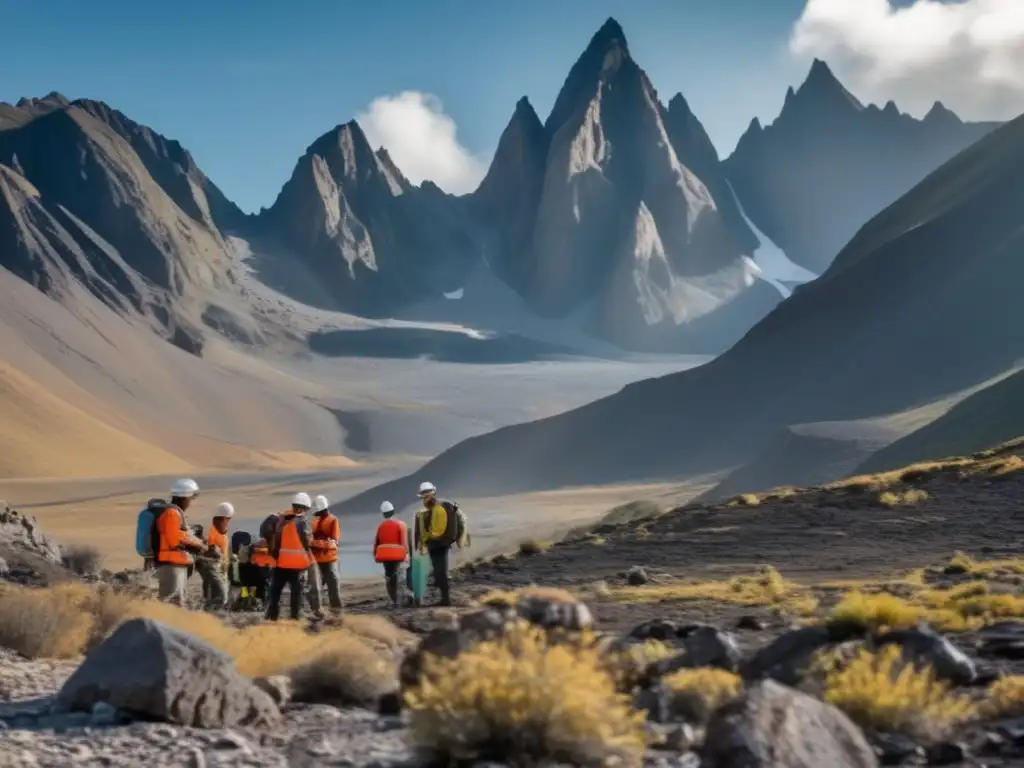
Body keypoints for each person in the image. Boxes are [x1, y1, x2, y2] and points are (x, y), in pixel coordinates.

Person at [154, 479, 205, 605]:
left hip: (176, 565)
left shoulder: (175, 512)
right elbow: (174, 538)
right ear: (184, 497)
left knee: (178, 602)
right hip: (171, 566)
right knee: (171, 603)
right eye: (190, 499)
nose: (190, 503)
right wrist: (197, 543)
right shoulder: (171, 513)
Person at [266, 493, 314, 621]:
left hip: (281, 564)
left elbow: (268, 534)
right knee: (296, 596)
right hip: (297, 567)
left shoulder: (281, 518)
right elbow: (307, 541)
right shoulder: (302, 522)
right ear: (305, 508)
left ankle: (272, 618)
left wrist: (275, 555)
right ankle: (294, 620)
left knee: (275, 594)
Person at [414, 481, 459, 607]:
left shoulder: (438, 509)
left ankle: (446, 600)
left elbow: (437, 532)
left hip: (439, 545)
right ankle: (444, 598)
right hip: (436, 546)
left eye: (426, 494)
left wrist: (426, 537)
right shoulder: (430, 510)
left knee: (440, 573)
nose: (425, 497)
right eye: (424, 495)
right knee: (439, 572)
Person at [309, 495, 344, 613]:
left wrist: (313, 543)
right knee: (315, 589)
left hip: (330, 560)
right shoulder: (315, 522)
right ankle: (317, 611)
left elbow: (334, 543)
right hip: (317, 560)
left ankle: (336, 611)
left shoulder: (333, 520)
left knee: (333, 588)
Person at [197, 502, 233, 610]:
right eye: (227, 519)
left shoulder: (221, 531)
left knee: (216, 596)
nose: (227, 522)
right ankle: (209, 618)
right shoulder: (211, 531)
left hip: (218, 568)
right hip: (210, 567)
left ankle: (209, 616)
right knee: (219, 597)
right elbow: (206, 549)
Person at [373, 500, 409, 607]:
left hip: (385, 557)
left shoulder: (380, 527)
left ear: (383, 514)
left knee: (389, 578)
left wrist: (375, 555)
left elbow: (377, 542)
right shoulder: (401, 525)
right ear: (393, 511)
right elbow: (403, 542)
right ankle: (400, 601)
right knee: (400, 577)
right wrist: (406, 554)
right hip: (398, 556)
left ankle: (393, 600)